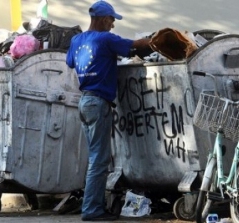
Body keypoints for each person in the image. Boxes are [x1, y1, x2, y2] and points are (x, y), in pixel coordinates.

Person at [66, 0, 151, 221]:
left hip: (84, 102)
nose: (113, 25)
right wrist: (155, 39)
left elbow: (70, 63)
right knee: (99, 159)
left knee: (96, 157)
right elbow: (136, 45)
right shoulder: (106, 39)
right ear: (104, 19)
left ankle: (93, 205)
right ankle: (92, 210)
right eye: (112, 20)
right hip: (98, 102)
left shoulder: (77, 40)